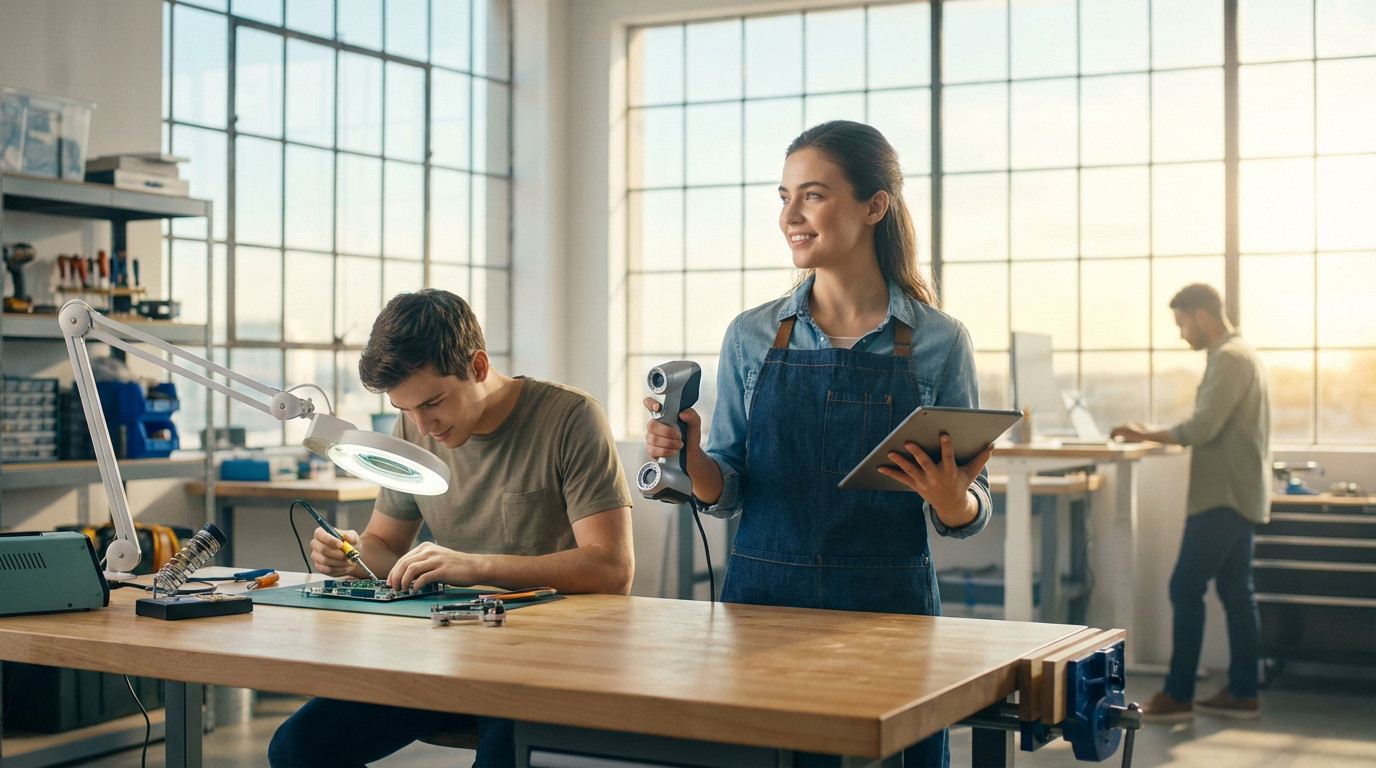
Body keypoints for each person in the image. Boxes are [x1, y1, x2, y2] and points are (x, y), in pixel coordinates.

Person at [644, 120, 992, 768]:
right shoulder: (750, 334)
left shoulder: (941, 340)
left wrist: (954, 502)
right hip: (764, 608)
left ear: (873, 206)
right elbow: (728, 487)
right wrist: (692, 459)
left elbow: (971, 509)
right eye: (783, 197)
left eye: (812, 195)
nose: (790, 216)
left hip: (889, 610)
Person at [269, 289, 634, 768]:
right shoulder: (416, 429)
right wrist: (352, 554)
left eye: (432, 403)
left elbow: (612, 569)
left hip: (546, 660)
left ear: (478, 367)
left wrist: (476, 566)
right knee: (298, 749)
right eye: (405, 410)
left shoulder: (570, 418)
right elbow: (384, 547)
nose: (421, 427)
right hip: (447, 651)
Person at [1111, 282, 1270, 723]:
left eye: (1182, 322)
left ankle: (1178, 693)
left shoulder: (1230, 359)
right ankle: (1242, 692)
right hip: (1239, 493)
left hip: (1222, 496)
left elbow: (1203, 428)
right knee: (1238, 592)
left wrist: (1146, 433)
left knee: (1185, 586)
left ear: (1202, 315)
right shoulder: (1242, 354)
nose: (1182, 333)